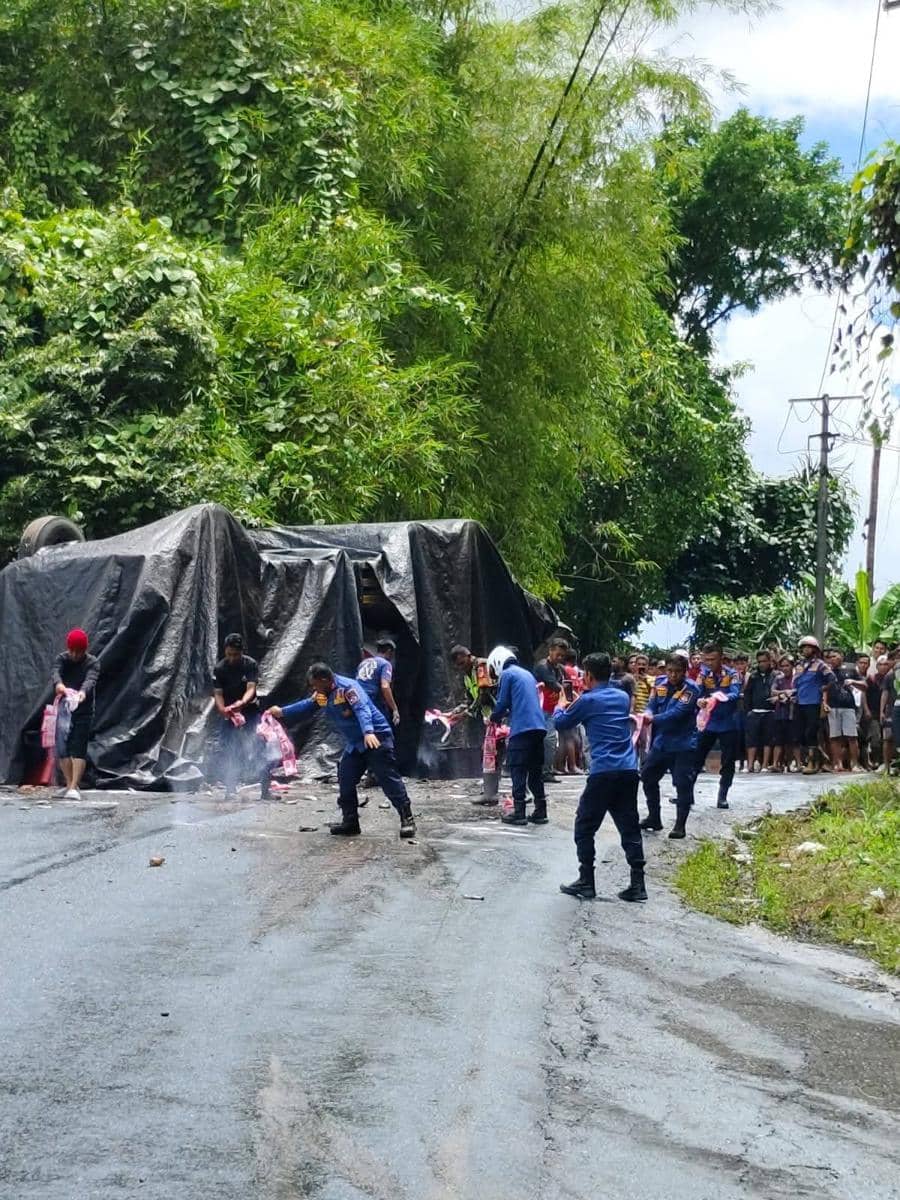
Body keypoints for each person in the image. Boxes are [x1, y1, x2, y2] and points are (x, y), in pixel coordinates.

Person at [268, 663, 415, 838]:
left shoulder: (347, 688)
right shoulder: (323, 694)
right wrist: (282, 712)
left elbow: (362, 709)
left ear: (324, 680)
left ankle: (407, 819)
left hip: (376, 738)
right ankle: (350, 822)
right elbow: (308, 705)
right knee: (345, 777)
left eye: (315, 684)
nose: (314, 688)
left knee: (387, 778)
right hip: (356, 743)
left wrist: (368, 731)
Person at [555, 653, 647, 903]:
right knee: (629, 826)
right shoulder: (621, 697)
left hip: (603, 771)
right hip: (628, 770)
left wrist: (562, 702)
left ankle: (587, 880)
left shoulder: (588, 699)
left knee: (584, 827)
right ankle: (638, 883)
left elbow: (561, 723)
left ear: (589, 676)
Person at [640, 653, 700, 839]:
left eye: (677, 672)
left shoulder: (691, 689)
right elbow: (652, 705)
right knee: (648, 776)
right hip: (661, 743)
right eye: (670, 671)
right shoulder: (659, 684)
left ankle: (680, 825)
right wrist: (647, 714)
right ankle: (654, 817)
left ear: (685, 672)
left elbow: (677, 713)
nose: (673, 675)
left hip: (682, 744)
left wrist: (653, 719)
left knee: (683, 784)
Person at [489, 645, 549, 825]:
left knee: (518, 769)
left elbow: (502, 703)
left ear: (497, 662)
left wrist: (493, 717)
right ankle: (540, 810)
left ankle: (519, 811)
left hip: (522, 729)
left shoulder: (508, 674)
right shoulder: (527, 674)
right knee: (535, 772)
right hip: (539, 728)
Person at [212, 633, 267, 801]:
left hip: (250, 711)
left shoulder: (250, 664)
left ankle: (266, 791)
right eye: (229, 654)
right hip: (231, 714)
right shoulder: (220, 668)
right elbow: (218, 693)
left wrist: (241, 703)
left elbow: (251, 688)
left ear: (242, 651)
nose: (232, 658)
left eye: (235, 654)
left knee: (260, 747)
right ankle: (230, 790)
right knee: (230, 750)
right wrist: (222, 709)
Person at [450, 645, 504, 805]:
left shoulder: (481, 666)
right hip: (488, 717)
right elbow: (470, 697)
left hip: (499, 714)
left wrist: (466, 713)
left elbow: (484, 694)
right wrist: (458, 709)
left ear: (468, 655)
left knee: (498, 752)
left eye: (462, 663)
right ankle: (490, 790)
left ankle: (496, 792)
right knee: (491, 753)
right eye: (458, 665)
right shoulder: (467, 674)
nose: (461, 667)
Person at [50, 628, 100, 800]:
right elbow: (56, 672)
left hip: (83, 710)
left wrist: (82, 694)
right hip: (63, 709)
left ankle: (73, 787)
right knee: (62, 748)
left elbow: (90, 680)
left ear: (85, 650)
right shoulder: (62, 659)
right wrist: (59, 685)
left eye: (79, 651)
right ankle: (70, 783)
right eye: (72, 650)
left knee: (78, 747)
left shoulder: (92, 662)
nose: (75, 654)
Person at [695, 643, 742, 808]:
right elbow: (696, 692)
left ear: (721, 658)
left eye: (712, 659)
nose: (709, 663)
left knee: (728, 761)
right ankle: (686, 794)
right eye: (706, 660)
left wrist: (718, 697)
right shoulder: (703, 675)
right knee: (695, 758)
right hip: (708, 723)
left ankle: (722, 795)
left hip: (728, 722)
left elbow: (735, 694)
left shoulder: (732, 674)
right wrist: (699, 700)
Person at [793, 635, 835, 774]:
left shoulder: (820, 664)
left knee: (811, 732)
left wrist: (824, 688)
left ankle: (812, 763)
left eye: (808, 647)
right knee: (800, 734)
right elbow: (797, 683)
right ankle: (820, 757)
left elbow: (831, 678)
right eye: (804, 647)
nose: (806, 649)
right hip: (800, 702)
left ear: (814, 649)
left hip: (813, 702)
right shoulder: (798, 665)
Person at [533, 637, 569, 782]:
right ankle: (544, 771)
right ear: (550, 651)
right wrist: (567, 692)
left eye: (562, 655)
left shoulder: (559, 669)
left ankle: (546, 770)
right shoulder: (543, 666)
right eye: (557, 654)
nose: (560, 658)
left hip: (552, 708)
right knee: (548, 739)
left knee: (550, 740)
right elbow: (554, 685)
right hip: (540, 709)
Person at [824, 649, 865, 772]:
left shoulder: (851, 669)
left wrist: (853, 681)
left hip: (848, 706)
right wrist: (824, 702)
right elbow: (823, 689)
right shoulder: (827, 672)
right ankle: (838, 764)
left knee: (852, 736)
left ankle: (855, 764)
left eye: (834, 655)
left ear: (841, 656)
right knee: (834, 737)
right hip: (833, 707)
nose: (832, 658)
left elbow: (864, 685)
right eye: (830, 657)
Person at [743, 650, 777, 774]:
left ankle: (764, 765)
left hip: (770, 711)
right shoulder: (753, 676)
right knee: (751, 740)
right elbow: (747, 694)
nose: (761, 664)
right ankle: (750, 765)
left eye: (764, 661)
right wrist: (748, 711)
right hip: (754, 712)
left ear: (769, 661)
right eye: (759, 662)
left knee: (768, 740)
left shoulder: (775, 675)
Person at [356, 638, 400, 726]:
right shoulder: (385, 664)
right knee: (383, 731)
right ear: (389, 651)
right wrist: (394, 709)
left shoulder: (364, 662)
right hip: (373, 701)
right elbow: (385, 686)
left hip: (358, 700)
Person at [771, 655, 800, 773]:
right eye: (782, 666)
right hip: (780, 713)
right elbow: (773, 691)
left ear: (792, 666)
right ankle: (775, 764)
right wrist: (784, 693)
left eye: (787, 665)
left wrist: (790, 694)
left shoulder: (797, 678)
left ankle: (798, 764)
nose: (785, 668)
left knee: (794, 740)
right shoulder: (778, 679)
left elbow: (798, 691)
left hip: (793, 713)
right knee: (778, 740)